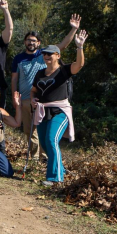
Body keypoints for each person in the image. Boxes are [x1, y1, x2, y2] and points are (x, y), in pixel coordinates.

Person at [10, 15, 81, 161]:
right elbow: (14, 78)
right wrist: (14, 96)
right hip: (25, 99)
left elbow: (62, 46)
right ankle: (34, 158)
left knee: (45, 129)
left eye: (34, 40)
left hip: (44, 101)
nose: (31, 43)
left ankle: (44, 158)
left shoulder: (44, 55)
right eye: (28, 40)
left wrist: (74, 29)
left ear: (39, 43)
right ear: (24, 42)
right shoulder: (18, 58)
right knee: (29, 130)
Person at [31, 31, 88, 185]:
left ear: (58, 55)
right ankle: (60, 170)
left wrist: (80, 47)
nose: (46, 56)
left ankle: (54, 178)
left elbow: (79, 65)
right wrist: (32, 99)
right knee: (44, 143)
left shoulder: (64, 71)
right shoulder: (40, 73)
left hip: (59, 112)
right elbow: (34, 90)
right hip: (43, 112)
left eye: (50, 54)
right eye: (44, 54)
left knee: (51, 140)